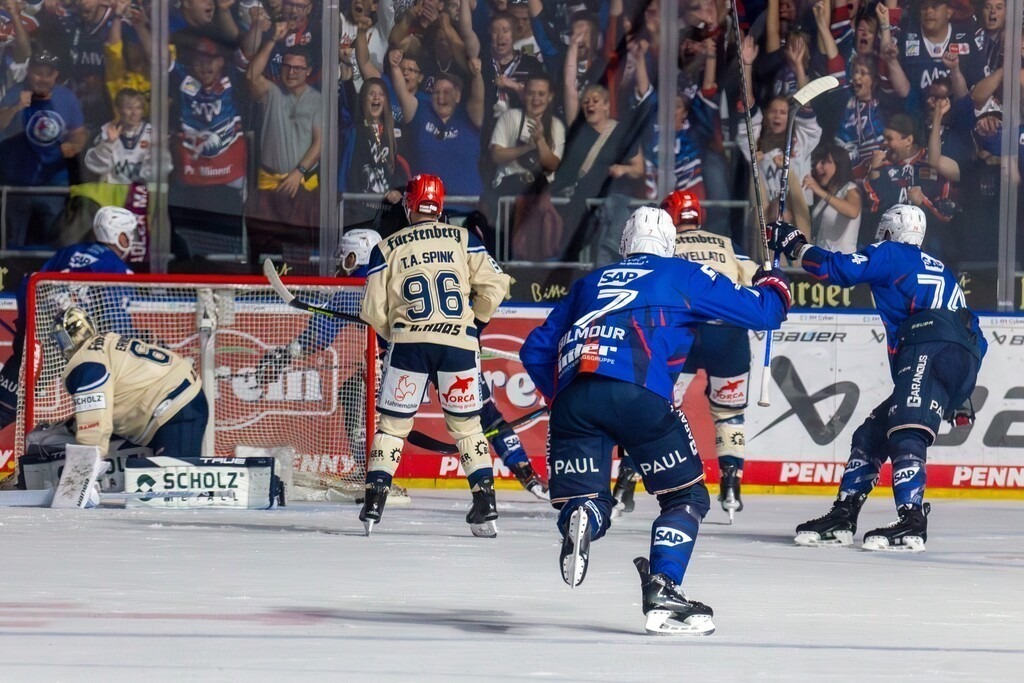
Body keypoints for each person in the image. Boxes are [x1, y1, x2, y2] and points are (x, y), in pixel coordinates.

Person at [520, 206, 791, 635]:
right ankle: (663, 587)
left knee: (586, 499)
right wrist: (773, 280)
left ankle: (585, 515)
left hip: (575, 399)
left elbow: (534, 350)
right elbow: (764, 314)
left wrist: (562, 397)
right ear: (669, 245)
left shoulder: (588, 282)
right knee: (686, 497)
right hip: (639, 395)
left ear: (625, 244)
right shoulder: (682, 274)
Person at [771, 205, 985, 552]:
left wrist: (795, 244)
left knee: (905, 428)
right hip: (962, 359)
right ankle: (843, 515)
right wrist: (959, 393)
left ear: (889, 231)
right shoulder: (942, 270)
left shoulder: (892, 253)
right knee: (870, 434)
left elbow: (834, 270)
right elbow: (972, 333)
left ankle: (912, 521)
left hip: (927, 346)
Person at [357, 174, 511, 537]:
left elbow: (373, 309)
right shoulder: (463, 238)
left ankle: (374, 504)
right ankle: (485, 504)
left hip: (409, 344)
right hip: (458, 343)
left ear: (410, 206)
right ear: (439, 206)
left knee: (393, 427)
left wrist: (393, 331)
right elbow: (495, 285)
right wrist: (476, 321)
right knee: (468, 427)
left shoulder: (386, 246)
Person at [0, 206, 138, 431]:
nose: (131, 239)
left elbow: (31, 283)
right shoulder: (117, 268)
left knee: (5, 407)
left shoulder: (69, 251)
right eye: (129, 234)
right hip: (75, 351)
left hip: (38, 339)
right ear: (119, 235)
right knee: (98, 414)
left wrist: (25, 335)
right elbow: (118, 324)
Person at [665, 190, 759, 521]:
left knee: (655, 408)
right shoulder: (726, 243)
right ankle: (731, 488)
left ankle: (625, 486)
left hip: (683, 334)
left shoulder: (666, 245)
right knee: (729, 415)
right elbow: (758, 278)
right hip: (728, 334)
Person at [52, 307, 207, 460]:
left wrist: (83, 467)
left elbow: (94, 425)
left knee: (173, 479)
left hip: (173, 407)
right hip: (175, 396)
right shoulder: (107, 341)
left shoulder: (86, 362)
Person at [246, 28, 322, 270]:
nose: (291, 72)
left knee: (298, 254)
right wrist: (271, 40)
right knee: (264, 252)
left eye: (298, 68)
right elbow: (251, 76)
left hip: (300, 186)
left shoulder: (318, 100)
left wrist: (299, 172)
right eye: (287, 66)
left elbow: (320, 143)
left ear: (308, 71)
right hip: (269, 186)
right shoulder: (272, 92)